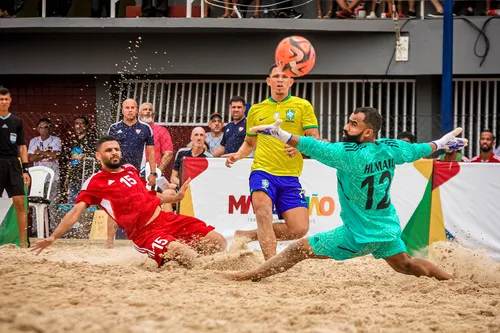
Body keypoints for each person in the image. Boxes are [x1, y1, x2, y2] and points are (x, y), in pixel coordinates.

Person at [223, 107, 468, 281]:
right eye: (349, 120)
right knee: (407, 264)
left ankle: (247, 276)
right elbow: (416, 150)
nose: (346, 126)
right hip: (387, 229)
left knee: (297, 250)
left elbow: (314, 146)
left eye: (353, 124)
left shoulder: (349, 155)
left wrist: (281, 134)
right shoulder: (391, 149)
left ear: (368, 132)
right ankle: (451, 279)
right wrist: (441, 143)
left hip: (358, 234)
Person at [31, 136, 227, 267]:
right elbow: (75, 213)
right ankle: (190, 263)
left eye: (116, 149)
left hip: (166, 219)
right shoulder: (94, 182)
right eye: (109, 150)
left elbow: (151, 196)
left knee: (218, 241)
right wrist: (53, 237)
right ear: (99, 156)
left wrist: (176, 197)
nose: (114, 152)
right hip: (145, 233)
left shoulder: (130, 169)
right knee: (182, 252)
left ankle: (183, 261)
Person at [223, 64, 320, 260]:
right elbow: (249, 143)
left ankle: (247, 235)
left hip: (290, 176)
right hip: (263, 170)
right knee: (263, 213)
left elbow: (314, 137)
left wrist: (300, 146)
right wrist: (238, 155)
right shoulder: (256, 110)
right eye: (276, 76)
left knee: (299, 229)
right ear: (269, 81)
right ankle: (271, 262)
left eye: (285, 76)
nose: (280, 80)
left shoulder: (303, 105)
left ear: (291, 82)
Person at [0, 87, 31, 248]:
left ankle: (23, 243)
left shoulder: (16, 121)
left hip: (13, 164)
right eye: (1, 99)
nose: (3, 102)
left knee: (19, 202)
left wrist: (26, 170)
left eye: (6, 99)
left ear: (10, 100)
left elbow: (22, 146)